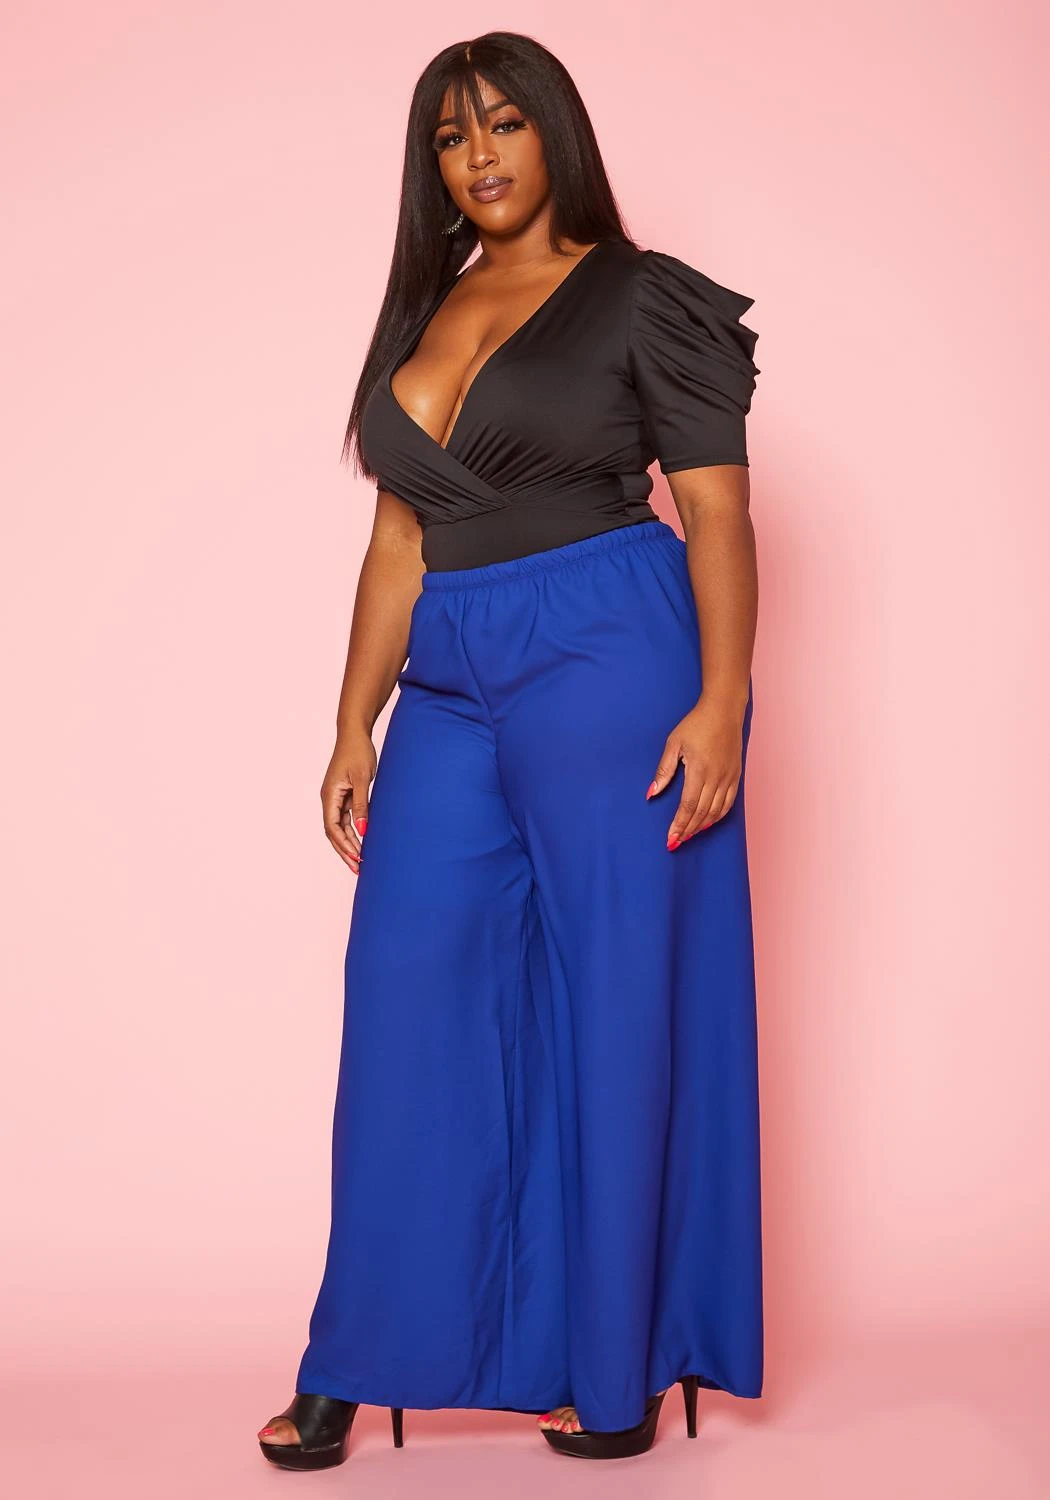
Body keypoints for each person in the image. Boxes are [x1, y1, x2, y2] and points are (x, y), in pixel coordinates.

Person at [258, 30, 763, 1467]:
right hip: (451, 677)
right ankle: (358, 1352)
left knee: (615, 1000)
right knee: (405, 998)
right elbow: (396, 540)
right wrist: (353, 720)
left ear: (556, 134)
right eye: (447, 136)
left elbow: (716, 511)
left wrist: (722, 698)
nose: (476, 155)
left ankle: (611, 1370)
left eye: (501, 124)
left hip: (605, 644)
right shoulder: (426, 309)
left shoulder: (639, 294)